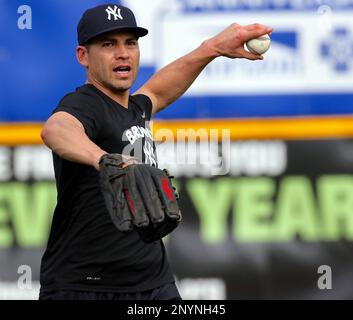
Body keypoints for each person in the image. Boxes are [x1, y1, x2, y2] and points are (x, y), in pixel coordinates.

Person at [39, 3, 272, 300]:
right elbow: (57, 129)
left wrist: (213, 47)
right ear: (83, 56)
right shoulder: (86, 104)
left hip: (152, 282)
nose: (123, 53)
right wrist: (104, 159)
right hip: (86, 285)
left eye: (130, 43)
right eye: (108, 44)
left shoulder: (136, 108)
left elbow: (160, 89)